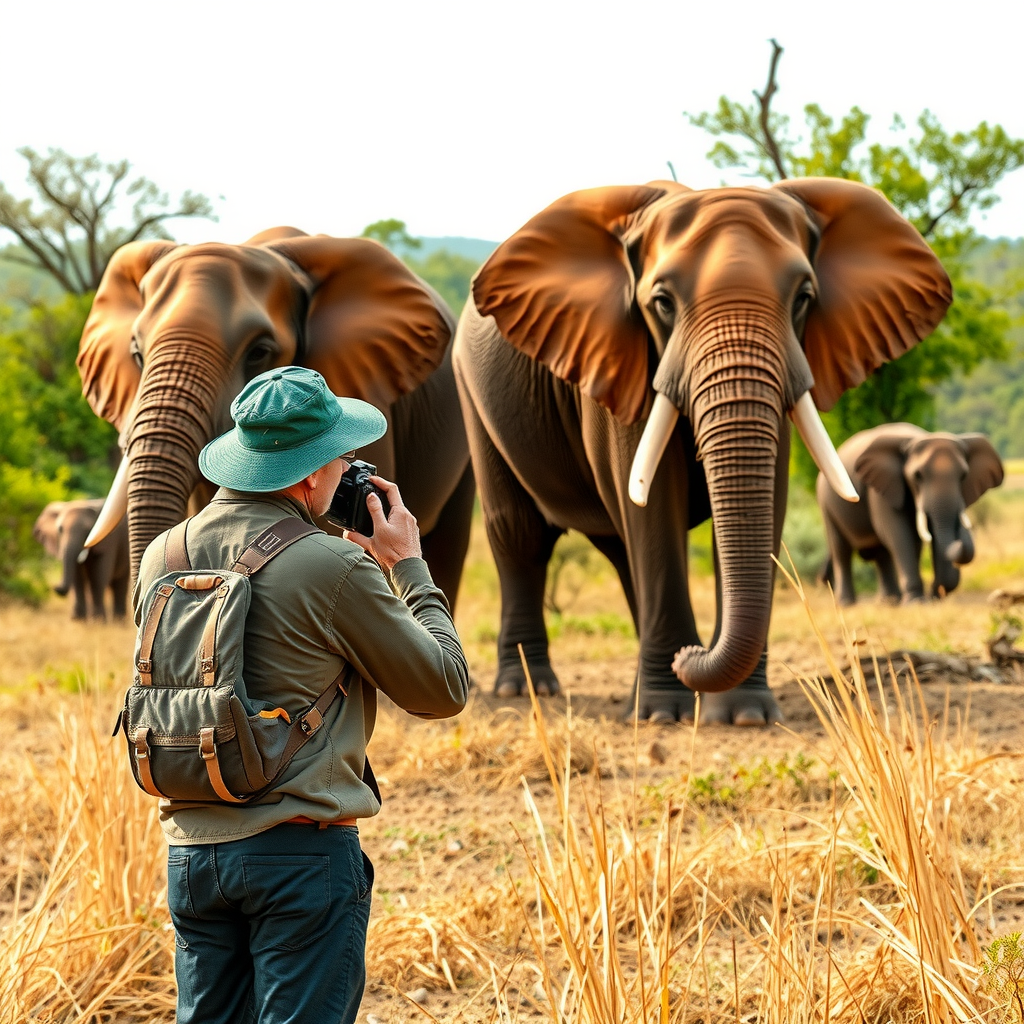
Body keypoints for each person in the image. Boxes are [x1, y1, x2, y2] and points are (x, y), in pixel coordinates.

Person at [134, 366, 470, 1024]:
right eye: (342, 457)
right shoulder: (332, 564)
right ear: (310, 473)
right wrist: (406, 566)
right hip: (300, 858)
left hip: (192, 856)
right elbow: (443, 687)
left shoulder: (163, 554)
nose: (349, 470)